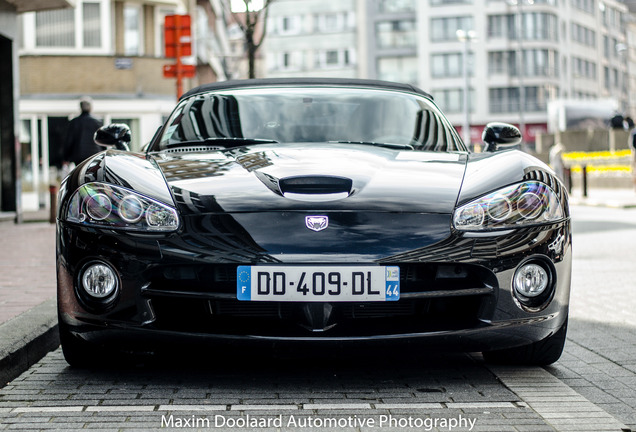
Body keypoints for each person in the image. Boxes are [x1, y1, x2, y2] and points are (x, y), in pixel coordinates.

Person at [63, 97, 103, 166]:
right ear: (91, 108)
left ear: (80, 108)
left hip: (79, 156)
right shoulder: (97, 122)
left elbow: (69, 141)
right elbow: (102, 140)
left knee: (80, 174)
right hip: (94, 155)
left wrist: (66, 157)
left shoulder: (74, 122)